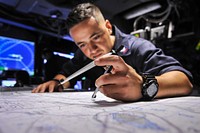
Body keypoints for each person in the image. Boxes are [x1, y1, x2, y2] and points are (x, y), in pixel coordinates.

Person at [32, 3, 193, 102]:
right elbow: (67, 74)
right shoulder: (84, 54)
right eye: (82, 44)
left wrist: (143, 86)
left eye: (96, 37)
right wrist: (56, 83)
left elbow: (184, 81)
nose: (91, 50)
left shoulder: (138, 47)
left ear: (108, 27)